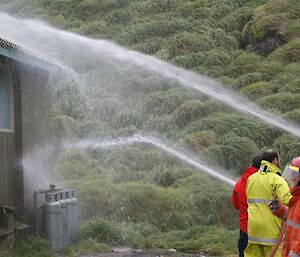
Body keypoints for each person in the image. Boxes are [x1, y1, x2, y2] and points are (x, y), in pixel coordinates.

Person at [245, 149, 292, 257]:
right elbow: (288, 200)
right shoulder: (277, 180)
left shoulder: (251, 179)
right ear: (275, 161)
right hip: (271, 229)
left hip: (253, 228)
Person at [231, 155, 262, 257]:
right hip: (263, 228)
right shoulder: (266, 182)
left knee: (243, 253)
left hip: (245, 227)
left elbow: (235, 204)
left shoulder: (240, 183)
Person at [269, 156, 300, 257]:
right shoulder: (296, 198)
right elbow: (294, 219)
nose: (291, 177)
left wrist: (293, 254)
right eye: (291, 173)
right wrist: (280, 210)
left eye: (294, 174)